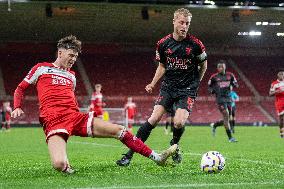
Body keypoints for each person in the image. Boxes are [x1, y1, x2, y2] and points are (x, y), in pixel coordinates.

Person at [11, 35, 177, 174]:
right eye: (70, 55)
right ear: (60, 52)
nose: (73, 59)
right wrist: (17, 106)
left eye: (76, 57)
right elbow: (20, 88)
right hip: (54, 120)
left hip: (75, 117)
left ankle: (157, 157)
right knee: (59, 165)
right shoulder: (41, 68)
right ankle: (66, 165)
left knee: (120, 130)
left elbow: (69, 97)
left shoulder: (72, 76)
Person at [116, 8, 207, 166]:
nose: (184, 26)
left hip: (187, 89)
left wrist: (196, 83)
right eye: (181, 22)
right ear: (174, 22)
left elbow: (204, 65)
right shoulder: (163, 44)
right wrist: (152, 83)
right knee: (153, 119)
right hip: (168, 87)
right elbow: (162, 66)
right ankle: (129, 154)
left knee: (178, 122)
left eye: (187, 23)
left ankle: (175, 145)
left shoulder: (196, 44)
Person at [208, 62, 238, 142]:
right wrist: (212, 91)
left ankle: (215, 125)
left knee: (227, 119)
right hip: (220, 99)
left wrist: (234, 84)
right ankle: (230, 138)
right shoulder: (214, 77)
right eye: (219, 67)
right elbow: (209, 86)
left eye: (222, 66)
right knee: (226, 114)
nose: (221, 68)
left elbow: (235, 83)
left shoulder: (230, 75)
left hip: (228, 99)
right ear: (217, 68)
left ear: (225, 67)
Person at [269, 71, 284, 138]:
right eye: (280, 75)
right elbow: (270, 94)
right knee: (281, 118)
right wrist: (277, 91)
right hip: (279, 102)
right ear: (278, 76)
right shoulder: (274, 84)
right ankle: (281, 133)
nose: (282, 76)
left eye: (283, 75)